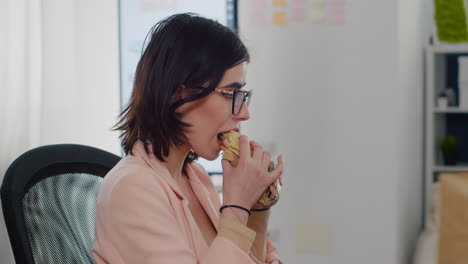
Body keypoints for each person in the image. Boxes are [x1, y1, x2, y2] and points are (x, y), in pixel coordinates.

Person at [92, 13, 284, 264]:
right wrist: (237, 205)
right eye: (230, 94)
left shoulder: (196, 178)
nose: (244, 113)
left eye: (243, 96)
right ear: (176, 93)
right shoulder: (132, 188)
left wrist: (258, 207)